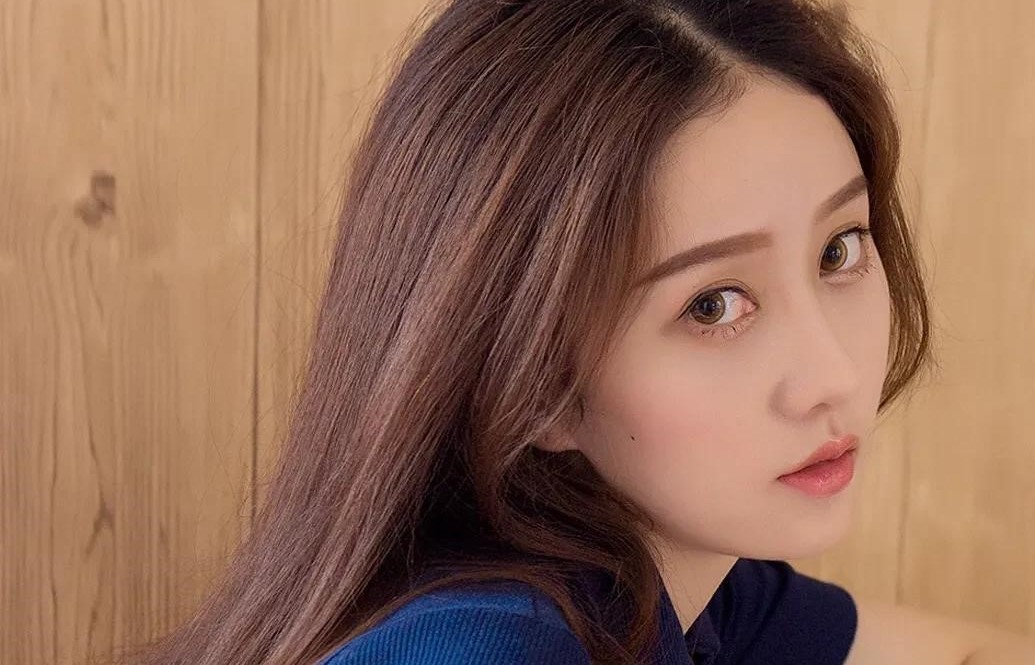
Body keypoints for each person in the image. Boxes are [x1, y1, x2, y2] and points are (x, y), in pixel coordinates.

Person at [122, 0, 1035, 664]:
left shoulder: (673, 590)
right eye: (712, 305)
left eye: (838, 250)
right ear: (536, 382)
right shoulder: (491, 643)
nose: (831, 373)